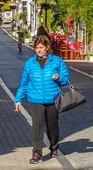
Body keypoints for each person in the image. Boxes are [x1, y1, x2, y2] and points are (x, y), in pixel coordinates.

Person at [14, 35, 70, 164]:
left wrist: (59, 77)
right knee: (37, 126)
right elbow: (24, 83)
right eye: (37, 48)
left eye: (41, 47)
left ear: (47, 48)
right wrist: (18, 99)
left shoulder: (57, 61)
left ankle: (54, 147)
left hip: (53, 99)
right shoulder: (29, 63)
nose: (39, 50)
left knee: (52, 126)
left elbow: (66, 78)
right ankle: (37, 153)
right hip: (35, 99)